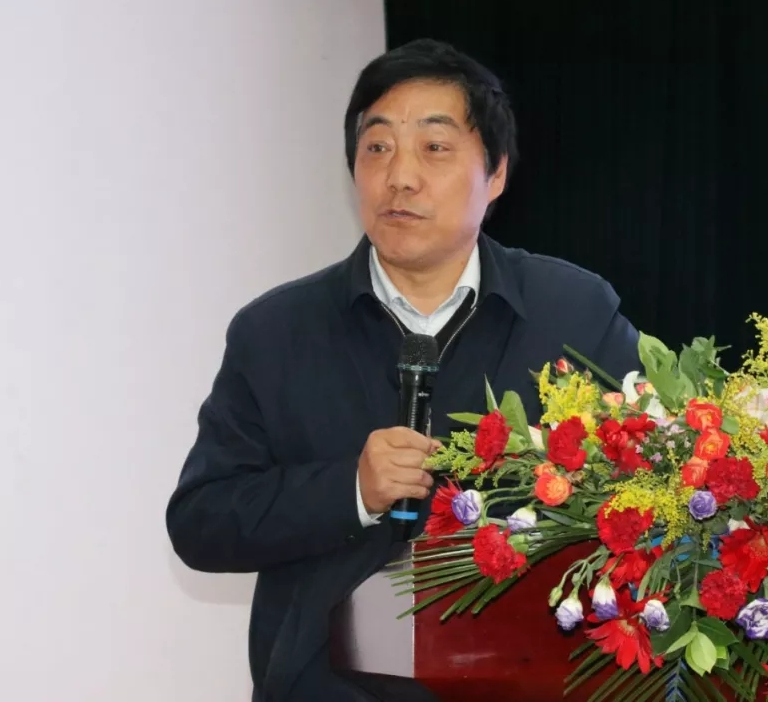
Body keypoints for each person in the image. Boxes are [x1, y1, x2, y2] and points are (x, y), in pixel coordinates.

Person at [166, 38, 642, 702]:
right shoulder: (275, 332)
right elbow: (201, 521)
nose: (400, 176)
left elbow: (655, 481)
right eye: (378, 148)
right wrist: (351, 490)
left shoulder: (574, 312)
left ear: (496, 173)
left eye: (435, 147)